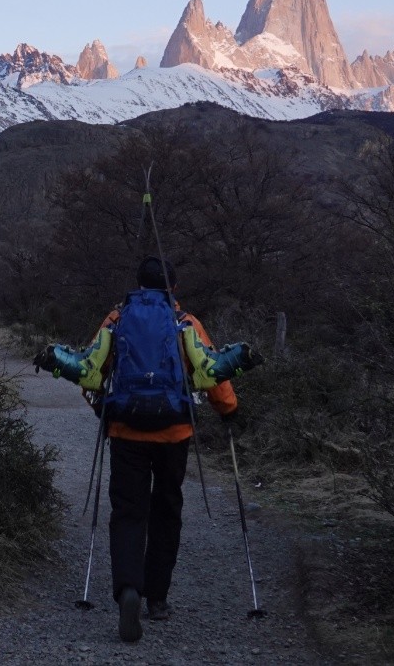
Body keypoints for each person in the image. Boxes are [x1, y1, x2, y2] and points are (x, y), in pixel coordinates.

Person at [34, 256, 258, 643]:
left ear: (137, 284)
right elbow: (210, 373)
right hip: (174, 433)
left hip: (126, 432)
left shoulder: (116, 319)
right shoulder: (185, 322)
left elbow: (91, 371)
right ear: (173, 287)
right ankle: (157, 600)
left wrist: (104, 410)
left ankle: (128, 590)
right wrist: (229, 410)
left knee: (127, 512)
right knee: (167, 511)